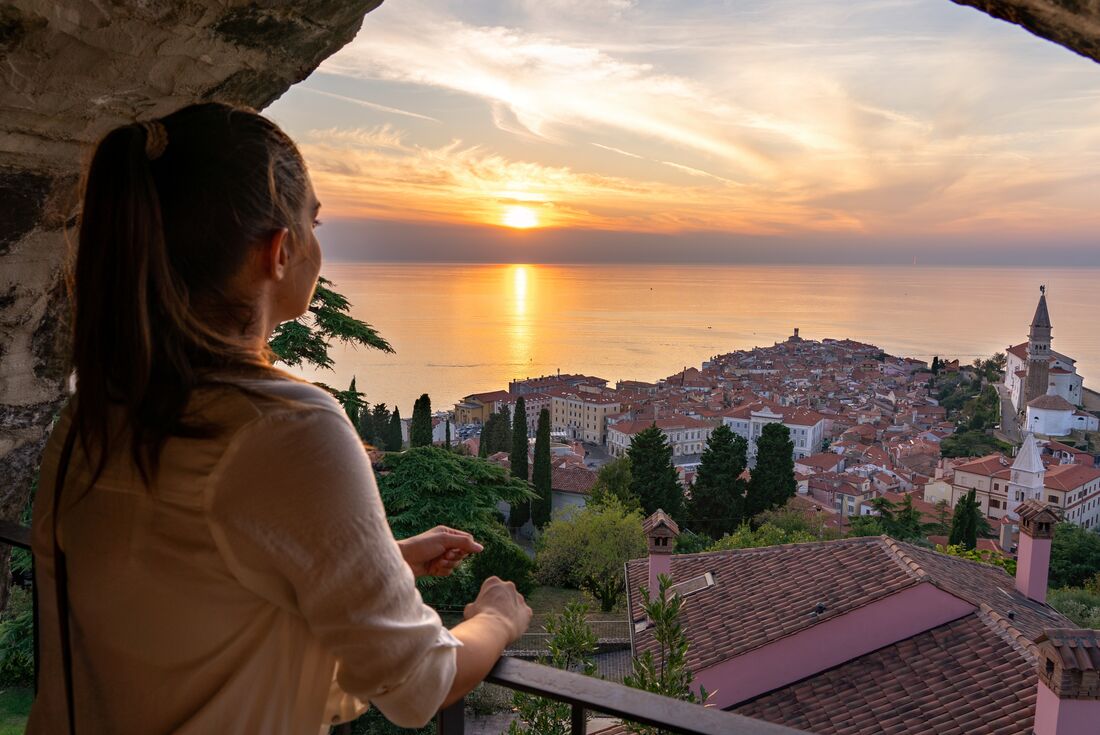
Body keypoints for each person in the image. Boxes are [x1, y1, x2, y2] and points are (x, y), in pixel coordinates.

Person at [28, 103, 532, 734]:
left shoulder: (96, 412)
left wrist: (386, 560)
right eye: (313, 221)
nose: (319, 244)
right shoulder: (284, 428)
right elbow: (418, 684)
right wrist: (496, 619)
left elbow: (194, 583)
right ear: (279, 250)